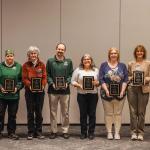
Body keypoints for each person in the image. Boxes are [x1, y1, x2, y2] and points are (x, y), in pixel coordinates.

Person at [99, 47, 128, 140]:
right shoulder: (103, 65)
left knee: (118, 113)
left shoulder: (123, 66)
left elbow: (125, 79)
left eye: (115, 53)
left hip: (120, 94)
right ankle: (109, 132)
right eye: (112, 53)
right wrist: (106, 90)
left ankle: (117, 133)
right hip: (106, 93)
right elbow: (101, 79)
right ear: (109, 54)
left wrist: (123, 91)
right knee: (108, 113)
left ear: (118, 55)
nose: (113, 55)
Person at [46, 43, 73, 139]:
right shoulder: (50, 61)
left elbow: (70, 74)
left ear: (64, 51)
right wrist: (52, 83)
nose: (60, 51)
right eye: (59, 49)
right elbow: (47, 74)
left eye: (62, 49)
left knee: (65, 112)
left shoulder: (68, 62)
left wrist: (67, 83)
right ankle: (53, 131)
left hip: (65, 91)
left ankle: (65, 130)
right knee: (53, 112)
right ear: (56, 49)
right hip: (52, 90)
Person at [71, 54, 99, 140]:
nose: (87, 60)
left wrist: (97, 83)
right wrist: (79, 85)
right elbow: (72, 81)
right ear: (82, 61)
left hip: (93, 95)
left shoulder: (96, 70)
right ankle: (83, 133)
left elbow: (100, 81)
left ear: (91, 61)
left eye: (88, 59)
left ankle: (91, 132)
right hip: (82, 95)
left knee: (92, 114)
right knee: (83, 114)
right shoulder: (78, 70)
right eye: (85, 59)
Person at [22, 46, 47, 140]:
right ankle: (31, 132)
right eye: (31, 53)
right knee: (30, 112)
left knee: (39, 112)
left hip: (40, 92)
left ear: (37, 54)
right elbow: (24, 78)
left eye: (35, 53)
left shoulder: (42, 64)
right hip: (29, 92)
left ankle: (39, 131)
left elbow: (44, 77)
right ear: (29, 55)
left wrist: (43, 85)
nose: (33, 55)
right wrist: (30, 85)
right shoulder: (25, 65)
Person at [127, 45, 150, 141]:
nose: (139, 53)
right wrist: (131, 78)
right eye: (137, 51)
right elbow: (127, 76)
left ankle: (140, 132)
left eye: (141, 51)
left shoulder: (148, 63)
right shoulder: (130, 63)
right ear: (135, 53)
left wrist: (144, 80)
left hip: (143, 89)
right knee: (133, 112)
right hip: (132, 89)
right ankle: (133, 132)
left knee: (141, 112)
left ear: (144, 53)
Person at [0, 49, 23, 140]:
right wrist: (0, 87)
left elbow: (21, 80)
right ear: (5, 56)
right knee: (0, 114)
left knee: (12, 115)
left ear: (13, 56)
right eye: (8, 56)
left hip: (14, 96)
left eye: (11, 56)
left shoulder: (18, 66)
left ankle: (11, 132)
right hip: (2, 96)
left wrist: (17, 88)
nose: (9, 57)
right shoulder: (0, 66)